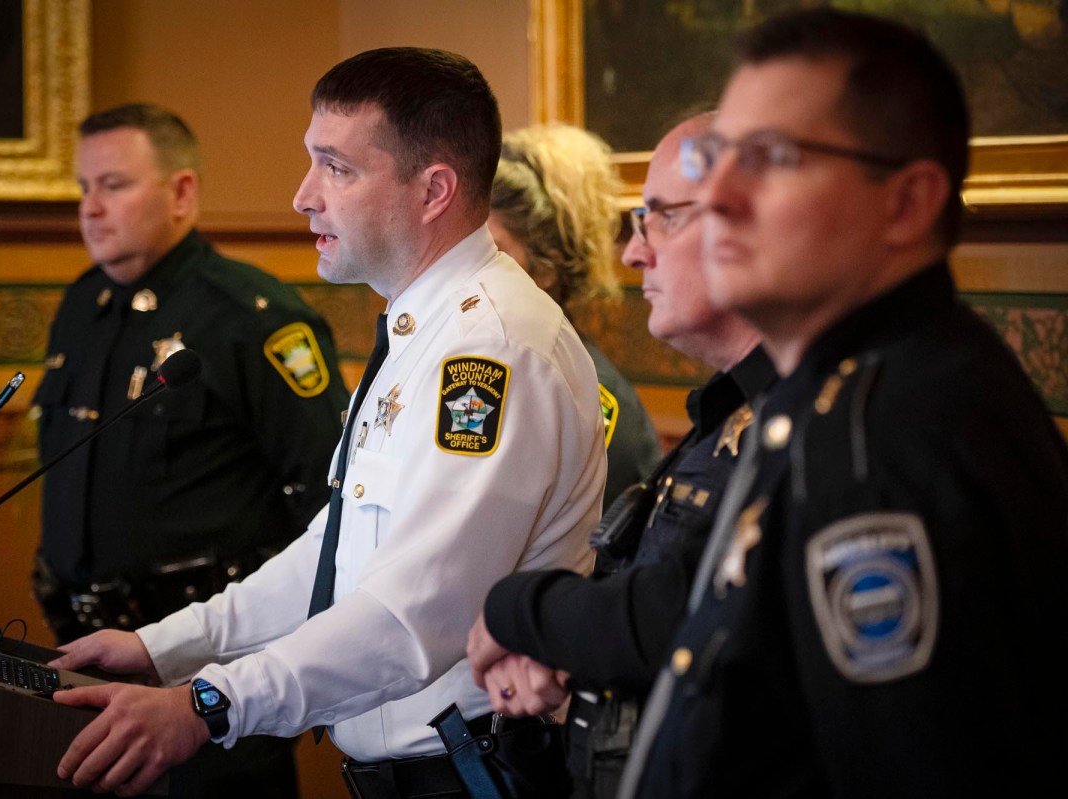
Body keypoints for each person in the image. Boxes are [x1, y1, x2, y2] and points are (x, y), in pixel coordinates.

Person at [46, 48, 607, 798]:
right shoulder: (425, 327)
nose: (303, 196)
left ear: (434, 189)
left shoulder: (491, 350)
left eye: (336, 168)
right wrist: (164, 647)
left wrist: (209, 705)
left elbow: (412, 616)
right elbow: (333, 554)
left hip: (472, 775)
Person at [620, 9, 1068, 798]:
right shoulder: (835, 389)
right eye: (716, 161)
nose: (718, 198)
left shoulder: (887, 435)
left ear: (905, 203)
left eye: (771, 160)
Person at [33, 102, 349, 796]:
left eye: (114, 185)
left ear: (181, 192)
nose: (91, 208)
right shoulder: (83, 306)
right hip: (89, 658)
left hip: (212, 682)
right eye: (84, 188)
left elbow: (328, 501)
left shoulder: (249, 317)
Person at [467, 115, 771, 799]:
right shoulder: (728, 408)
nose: (633, 253)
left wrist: (521, 611)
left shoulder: (810, 415)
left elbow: (688, 607)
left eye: (662, 217)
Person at [489, 124, 661, 509]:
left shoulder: (586, 392)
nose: (470, 272)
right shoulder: (491, 358)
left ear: (547, 268)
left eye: (493, 252)